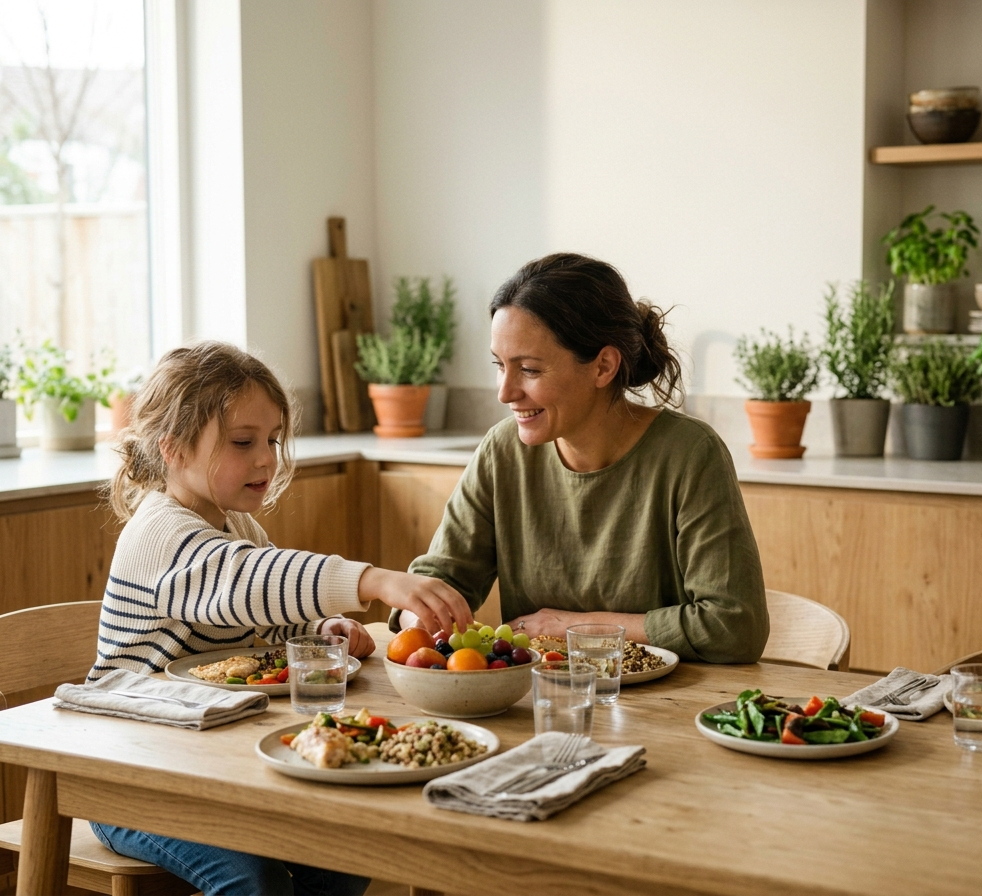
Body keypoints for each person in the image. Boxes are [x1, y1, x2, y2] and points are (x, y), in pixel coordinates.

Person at [90, 341, 471, 896]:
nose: (266, 458)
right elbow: (244, 582)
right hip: (127, 774)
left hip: (204, 761)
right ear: (171, 447)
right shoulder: (158, 533)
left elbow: (259, 619)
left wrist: (316, 631)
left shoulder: (235, 524)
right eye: (243, 442)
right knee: (255, 881)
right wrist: (374, 580)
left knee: (344, 851)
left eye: (271, 440)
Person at [390, 253, 769, 663]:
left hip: (671, 697)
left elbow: (734, 625)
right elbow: (438, 581)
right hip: (538, 694)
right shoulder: (502, 451)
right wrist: (420, 616)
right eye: (500, 365)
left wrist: (571, 628)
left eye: (529, 369)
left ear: (603, 366)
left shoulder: (689, 454)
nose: (504, 392)